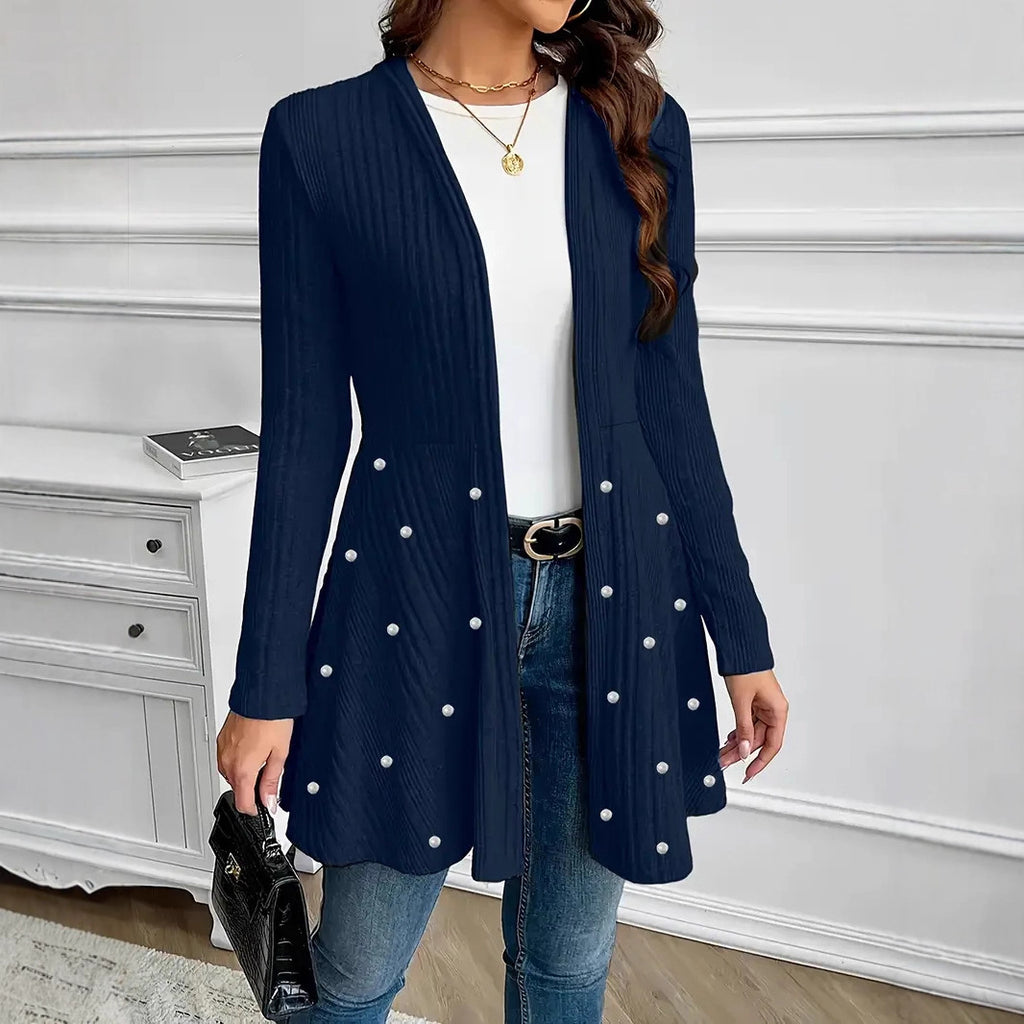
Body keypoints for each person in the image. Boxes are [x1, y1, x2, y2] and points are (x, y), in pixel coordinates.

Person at [217, 1, 790, 1021]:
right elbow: (306, 429)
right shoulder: (321, 136)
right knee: (353, 974)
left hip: (614, 603)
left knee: (567, 962)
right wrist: (266, 683)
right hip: (411, 598)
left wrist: (739, 633)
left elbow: (670, 401)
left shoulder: (633, 124)